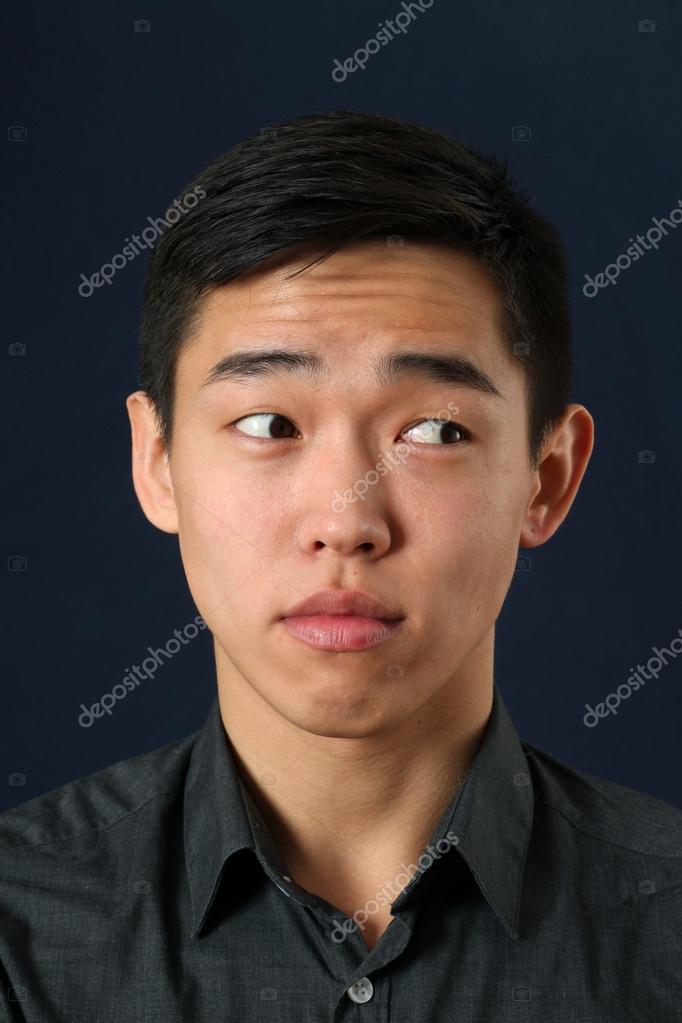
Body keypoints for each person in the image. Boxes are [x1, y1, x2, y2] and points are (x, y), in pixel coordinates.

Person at [1, 110, 680, 1021]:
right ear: (156, 462)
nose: (345, 520)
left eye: (433, 431)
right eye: (268, 424)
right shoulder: (20, 930)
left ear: (546, 478)